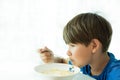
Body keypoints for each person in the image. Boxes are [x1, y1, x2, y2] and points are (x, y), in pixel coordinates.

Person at [38, 13, 120, 80]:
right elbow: (63, 62)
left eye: (72, 45)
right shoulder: (85, 65)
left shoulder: (116, 73)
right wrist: (52, 59)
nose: (68, 52)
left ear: (94, 46)